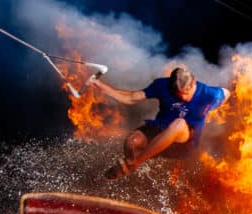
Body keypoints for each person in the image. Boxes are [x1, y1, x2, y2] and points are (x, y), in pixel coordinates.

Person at [91, 66, 230, 179]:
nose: (184, 97)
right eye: (180, 94)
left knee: (179, 123)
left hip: (184, 142)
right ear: (171, 86)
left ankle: (134, 163)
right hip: (160, 129)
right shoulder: (161, 85)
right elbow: (131, 98)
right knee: (131, 142)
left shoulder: (209, 94)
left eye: (188, 92)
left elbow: (227, 93)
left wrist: (213, 109)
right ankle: (135, 175)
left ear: (194, 83)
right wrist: (100, 86)